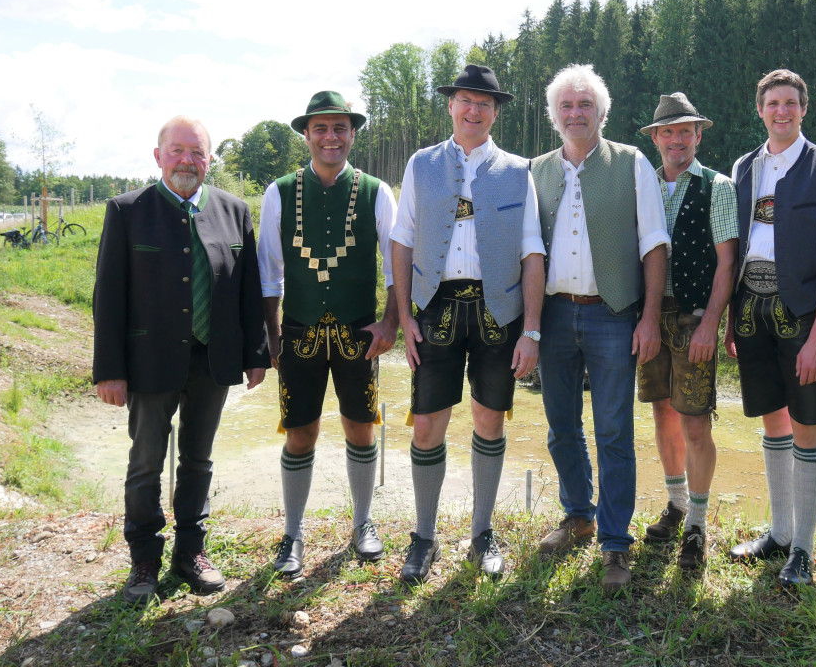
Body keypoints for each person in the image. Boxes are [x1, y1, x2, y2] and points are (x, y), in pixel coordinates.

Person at [93, 115, 269, 605]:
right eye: (177, 151)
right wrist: (109, 369)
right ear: (158, 156)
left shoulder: (234, 211)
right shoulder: (128, 211)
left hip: (213, 361)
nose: (187, 161)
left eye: (197, 153)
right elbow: (108, 295)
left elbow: (247, 290)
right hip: (149, 362)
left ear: (210, 161)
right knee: (146, 461)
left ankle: (191, 552)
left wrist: (256, 354)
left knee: (199, 459)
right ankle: (144, 558)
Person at [390, 65, 545, 584]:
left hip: (497, 311)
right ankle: (424, 536)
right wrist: (406, 315)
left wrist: (532, 330)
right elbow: (402, 237)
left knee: (488, 419)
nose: (474, 110)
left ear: (496, 112)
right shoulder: (421, 163)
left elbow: (531, 251)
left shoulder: (518, 170)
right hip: (435, 305)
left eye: (484, 103)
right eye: (465, 100)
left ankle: (482, 533)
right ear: (451, 106)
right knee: (429, 422)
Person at [532, 64, 670, 591]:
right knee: (561, 426)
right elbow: (527, 251)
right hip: (555, 315)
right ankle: (578, 515)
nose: (575, 113)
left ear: (601, 112)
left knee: (614, 432)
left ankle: (615, 543)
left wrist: (649, 318)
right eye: (566, 105)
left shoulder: (632, 163)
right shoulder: (536, 170)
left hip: (614, 313)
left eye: (584, 104)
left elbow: (654, 244)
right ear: (554, 115)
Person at [258, 91, 399, 580]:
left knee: (360, 425)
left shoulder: (377, 192)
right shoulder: (278, 192)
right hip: (297, 333)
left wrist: (390, 322)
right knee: (301, 432)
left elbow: (395, 268)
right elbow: (269, 272)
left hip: (360, 333)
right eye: (321, 128)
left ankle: (363, 522)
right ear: (307, 135)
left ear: (352, 134)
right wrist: (272, 334)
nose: (330, 137)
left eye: (340, 128)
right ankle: (293, 532)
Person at [725, 68, 816, 587]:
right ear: (760, 109)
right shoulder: (743, 166)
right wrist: (734, 319)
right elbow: (738, 244)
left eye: (791, 103)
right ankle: (778, 533)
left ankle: (803, 548)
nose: (782, 111)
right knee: (771, 420)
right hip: (751, 309)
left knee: (807, 423)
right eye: (773, 103)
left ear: (804, 109)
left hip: (802, 314)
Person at [635, 93, 737, 571]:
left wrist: (711, 324)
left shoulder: (718, 186)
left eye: (685, 131)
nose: (677, 139)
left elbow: (726, 262)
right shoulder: (643, 185)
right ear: (655, 138)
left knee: (695, 419)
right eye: (668, 132)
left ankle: (697, 521)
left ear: (698, 136)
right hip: (652, 315)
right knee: (661, 412)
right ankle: (675, 505)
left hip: (695, 316)